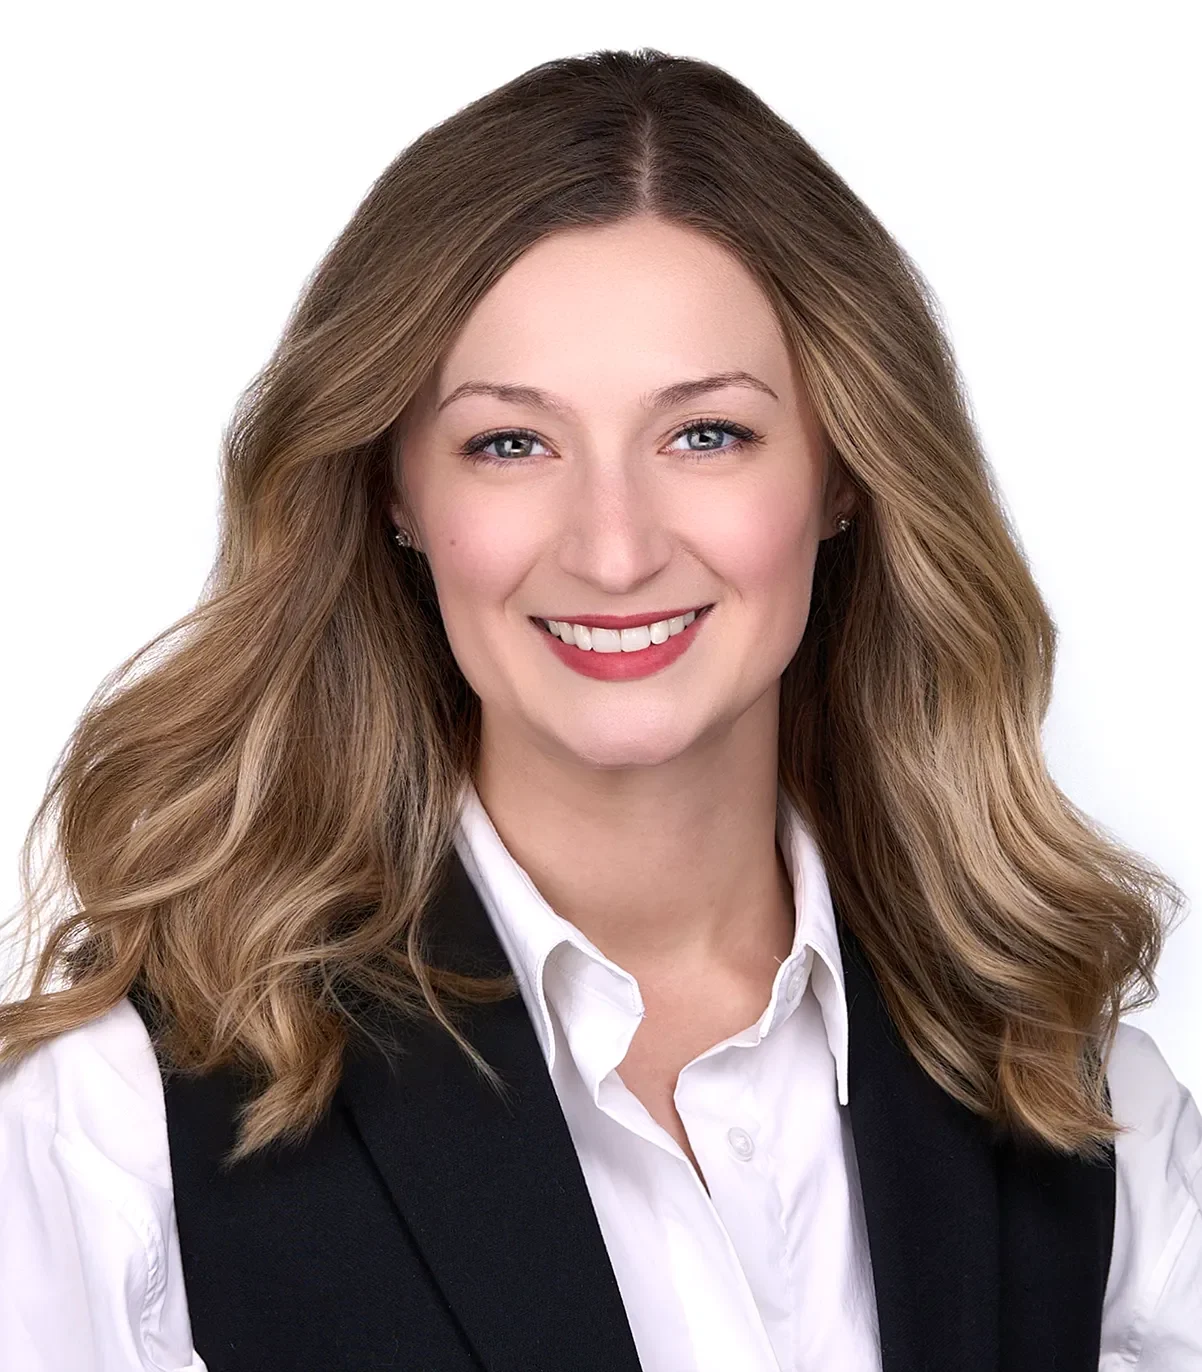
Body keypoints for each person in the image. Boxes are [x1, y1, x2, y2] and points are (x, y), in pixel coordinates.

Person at [1, 46, 1198, 1372]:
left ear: (845, 472)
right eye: (508, 442)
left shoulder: (1082, 1110)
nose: (613, 549)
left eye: (706, 434)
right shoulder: (114, 1133)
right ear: (392, 491)